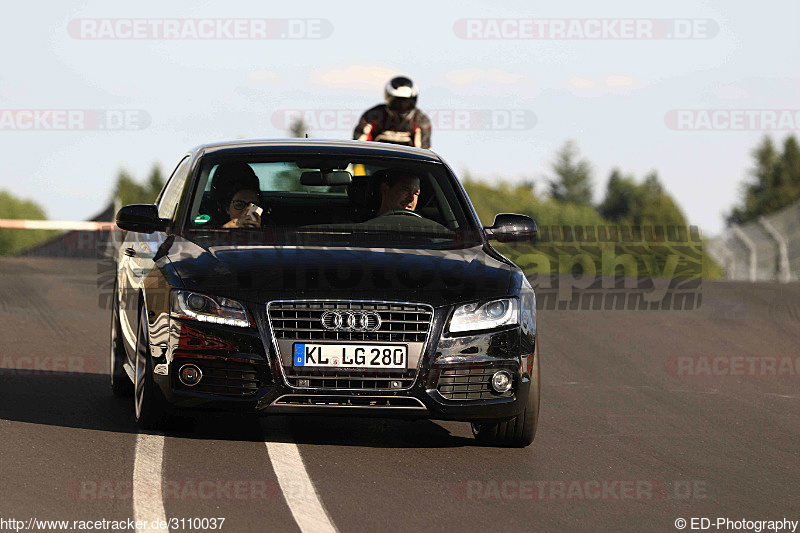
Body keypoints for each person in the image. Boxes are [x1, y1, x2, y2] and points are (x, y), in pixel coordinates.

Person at [353, 76, 432, 149]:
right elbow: (357, 147)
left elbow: (424, 152)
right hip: (373, 162)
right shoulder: (372, 116)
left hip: (408, 163)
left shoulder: (421, 120)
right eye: (397, 102)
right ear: (388, 98)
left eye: (406, 102)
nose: (401, 107)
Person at [208, 162, 262, 228]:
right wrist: (227, 230)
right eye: (239, 205)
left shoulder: (273, 229)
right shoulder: (210, 228)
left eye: (254, 206)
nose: (247, 211)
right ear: (227, 209)